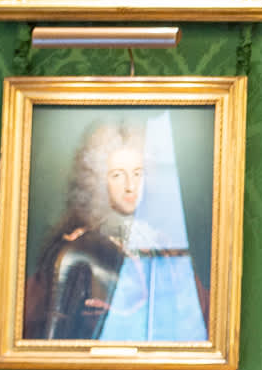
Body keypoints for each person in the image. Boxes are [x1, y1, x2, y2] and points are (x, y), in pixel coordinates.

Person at [21, 117, 207, 343]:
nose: (131, 186)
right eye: (117, 175)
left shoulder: (162, 245)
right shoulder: (78, 248)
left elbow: (195, 321)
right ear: (98, 181)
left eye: (138, 173)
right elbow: (49, 335)